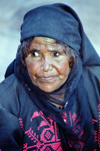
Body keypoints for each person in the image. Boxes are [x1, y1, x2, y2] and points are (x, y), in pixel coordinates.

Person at [0, 3, 100, 151]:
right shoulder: (6, 101)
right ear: (22, 58)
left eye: (56, 54)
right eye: (34, 54)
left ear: (73, 58)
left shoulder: (96, 83)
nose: (45, 66)